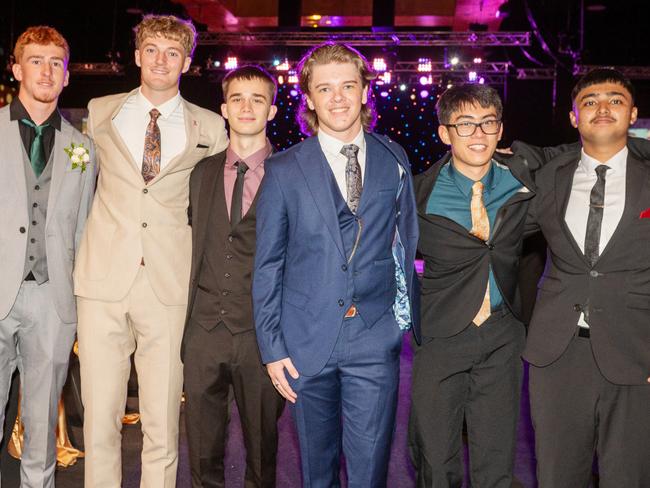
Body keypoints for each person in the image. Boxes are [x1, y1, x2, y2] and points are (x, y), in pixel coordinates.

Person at [252, 42, 419, 488]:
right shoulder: (284, 169)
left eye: (348, 85)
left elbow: (404, 244)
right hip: (305, 342)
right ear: (309, 98)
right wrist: (272, 348)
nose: (338, 97)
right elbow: (268, 264)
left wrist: (397, 323)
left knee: (370, 471)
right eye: (325, 88)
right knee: (315, 470)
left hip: (373, 338)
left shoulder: (393, 158)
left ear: (365, 91)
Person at [74, 14, 228, 488]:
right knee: (100, 416)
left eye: (173, 52)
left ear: (187, 61)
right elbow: (74, 188)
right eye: (153, 49)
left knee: (163, 418)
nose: (161, 60)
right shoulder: (98, 111)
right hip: (102, 280)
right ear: (138, 56)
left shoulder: (211, 126)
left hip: (169, 284)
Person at [517, 68, 650, 487]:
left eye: (615, 99)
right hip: (557, 355)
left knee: (629, 476)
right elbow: (496, 239)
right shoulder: (546, 179)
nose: (603, 107)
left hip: (637, 351)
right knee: (557, 475)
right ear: (575, 118)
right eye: (590, 101)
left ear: (633, 114)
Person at [409, 84, 537, 488]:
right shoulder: (416, 194)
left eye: (487, 123)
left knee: (497, 458)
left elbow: (575, 155)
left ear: (500, 130)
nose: (478, 134)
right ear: (445, 133)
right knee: (435, 456)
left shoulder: (526, 184)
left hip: (503, 334)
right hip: (441, 336)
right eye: (465, 124)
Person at [0, 26, 95, 488]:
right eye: (36, 60)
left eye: (56, 62)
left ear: (67, 75)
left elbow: (80, 226)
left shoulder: (82, 148)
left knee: (42, 425)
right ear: (16, 69)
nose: (47, 70)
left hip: (53, 301)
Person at [182, 65, 284, 488]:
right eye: (237, 98)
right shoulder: (202, 173)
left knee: (263, 452)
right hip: (204, 330)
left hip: (261, 336)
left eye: (257, 99)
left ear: (272, 111)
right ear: (223, 108)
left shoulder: (290, 174)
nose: (246, 107)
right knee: (202, 451)